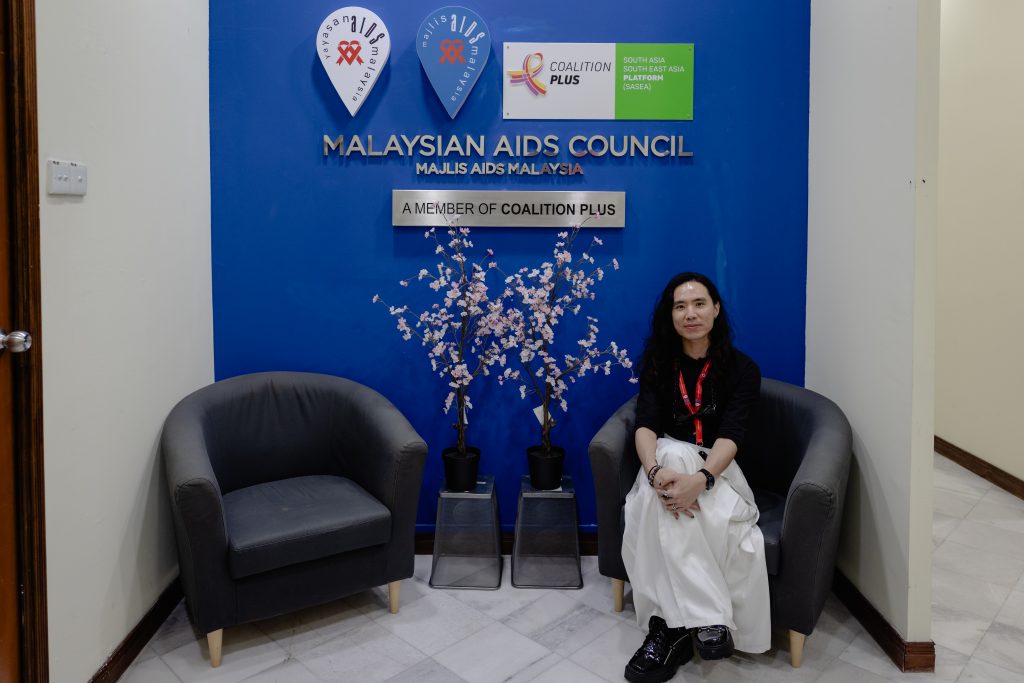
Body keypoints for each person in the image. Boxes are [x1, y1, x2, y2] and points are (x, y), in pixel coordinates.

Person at [622, 272, 770, 683]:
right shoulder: (658, 364)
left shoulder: (742, 369)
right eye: (680, 306)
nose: (690, 313)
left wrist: (699, 479)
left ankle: (666, 631)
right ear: (670, 315)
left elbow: (732, 435)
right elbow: (646, 426)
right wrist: (654, 472)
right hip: (663, 473)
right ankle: (707, 620)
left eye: (699, 304)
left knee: (676, 462)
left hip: (719, 473)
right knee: (671, 451)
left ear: (716, 309)